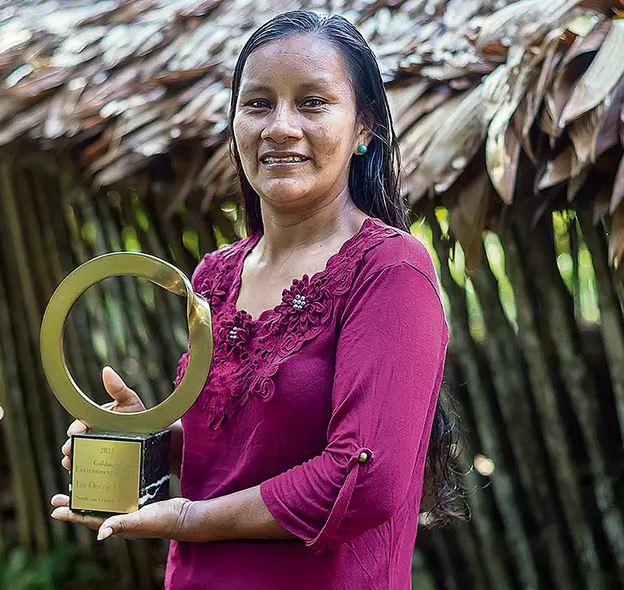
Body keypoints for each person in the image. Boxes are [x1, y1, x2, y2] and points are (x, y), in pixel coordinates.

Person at [51, 10, 464, 589]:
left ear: (364, 128)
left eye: (313, 102)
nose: (281, 126)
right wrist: (139, 441)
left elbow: (365, 479)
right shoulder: (215, 276)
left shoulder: (389, 271)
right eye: (259, 103)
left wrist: (193, 519)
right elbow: (228, 451)